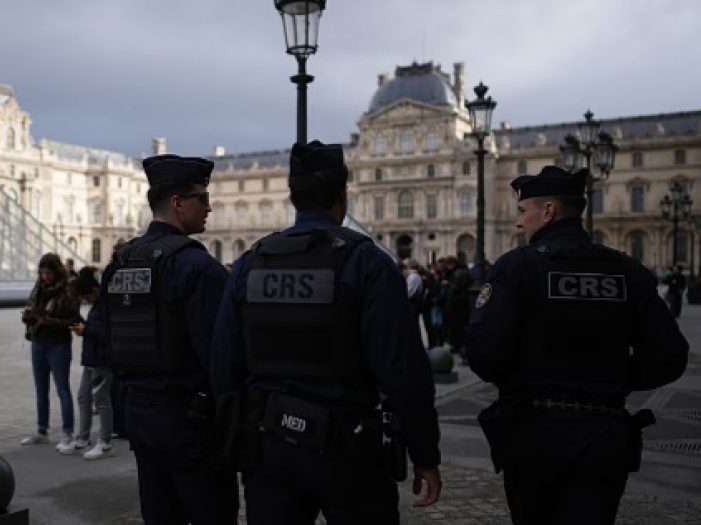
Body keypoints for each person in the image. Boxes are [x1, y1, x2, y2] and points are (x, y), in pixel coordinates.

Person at [211, 141, 442, 525]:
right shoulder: (368, 262)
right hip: (348, 449)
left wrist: (239, 438)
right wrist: (425, 454)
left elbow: (223, 365)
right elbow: (402, 371)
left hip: (270, 447)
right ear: (343, 196)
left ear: (291, 196)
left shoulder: (251, 263)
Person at [466, 166, 690, 524]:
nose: (519, 222)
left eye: (523, 211)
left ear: (549, 211)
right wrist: (615, 377)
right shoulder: (626, 271)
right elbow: (671, 356)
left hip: (533, 430)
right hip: (604, 433)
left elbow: (482, 350)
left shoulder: (518, 267)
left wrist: (526, 377)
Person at [102, 153, 238, 524]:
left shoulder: (121, 262)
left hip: (140, 416)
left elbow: (103, 341)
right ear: (178, 204)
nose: (210, 208)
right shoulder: (199, 268)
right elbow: (220, 359)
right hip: (191, 424)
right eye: (203, 198)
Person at [20, 253, 81, 453]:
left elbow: (73, 319)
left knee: (62, 389)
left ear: (57, 271)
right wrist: (29, 316)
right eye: (42, 272)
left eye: (49, 273)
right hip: (38, 342)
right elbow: (31, 306)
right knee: (41, 389)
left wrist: (50, 321)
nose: (45, 277)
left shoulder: (67, 290)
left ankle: (67, 433)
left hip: (58, 345)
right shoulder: (39, 288)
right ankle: (42, 430)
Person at [70, 266, 116, 460]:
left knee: (102, 400)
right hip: (91, 358)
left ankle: (105, 442)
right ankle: (83, 437)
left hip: (102, 359)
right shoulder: (98, 305)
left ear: (96, 290)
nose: (86, 302)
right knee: (83, 397)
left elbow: (109, 334)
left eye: (87, 297)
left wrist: (85, 331)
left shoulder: (107, 305)